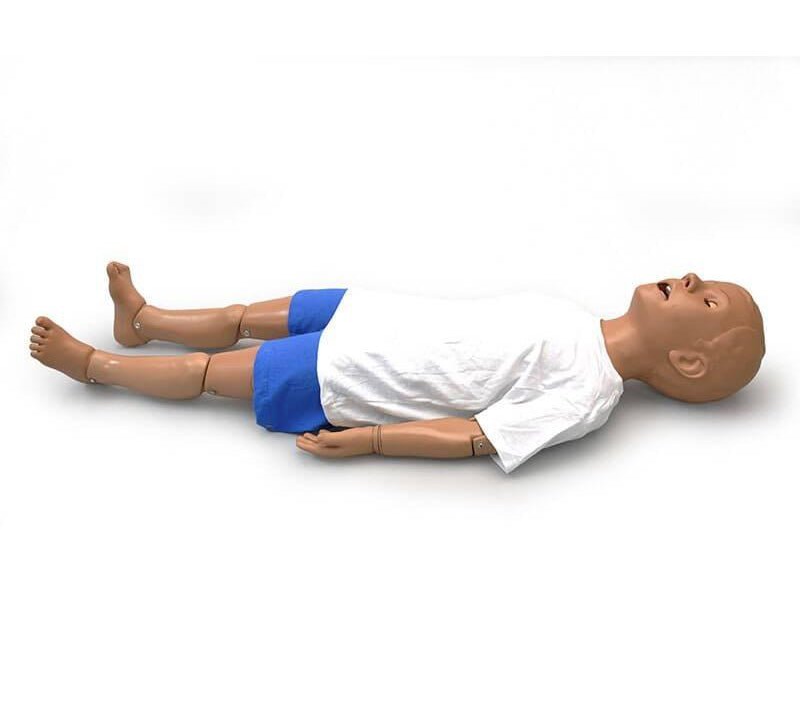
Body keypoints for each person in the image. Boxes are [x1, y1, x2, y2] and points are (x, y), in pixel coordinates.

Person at [29, 262, 765, 473]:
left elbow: (477, 435)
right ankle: (144, 321)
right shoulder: (578, 319)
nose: (691, 277)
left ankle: (93, 365)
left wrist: (370, 440)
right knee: (242, 314)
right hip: (370, 313)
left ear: (687, 361)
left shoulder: (587, 395)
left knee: (203, 372)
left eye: (706, 300)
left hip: (355, 371)